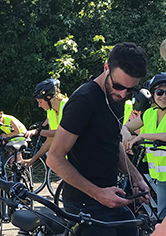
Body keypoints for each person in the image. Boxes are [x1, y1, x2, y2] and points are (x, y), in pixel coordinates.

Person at [46, 42, 150, 236]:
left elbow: (111, 143)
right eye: (118, 86)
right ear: (106, 68)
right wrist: (98, 194)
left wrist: (136, 176)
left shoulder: (116, 98)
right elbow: (54, 158)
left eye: (130, 90)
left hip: (111, 196)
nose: (122, 94)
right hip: (84, 201)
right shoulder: (84, 100)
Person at [122, 73, 166, 219]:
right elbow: (125, 127)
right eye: (159, 92)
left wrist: (142, 136)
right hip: (161, 176)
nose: (163, 95)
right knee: (162, 217)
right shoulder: (148, 114)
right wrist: (128, 137)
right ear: (153, 94)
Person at [22, 78, 68, 167]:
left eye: (40, 102)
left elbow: (64, 133)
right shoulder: (50, 112)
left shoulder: (67, 106)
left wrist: (37, 131)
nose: (39, 106)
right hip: (69, 161)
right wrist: (32, 160)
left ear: (49, 97)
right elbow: (50, 140)